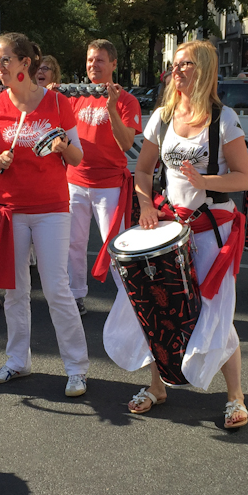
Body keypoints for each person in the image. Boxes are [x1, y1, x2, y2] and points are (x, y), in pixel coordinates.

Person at [104, 40, 248, 429]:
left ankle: (235, 396)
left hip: (211, 231)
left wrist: (206, 180)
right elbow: (142, 170)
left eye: (186, 64)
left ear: (203, 69)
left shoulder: (224, 119)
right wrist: (146, 204)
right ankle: (158, 386)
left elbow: (244, 177)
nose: (177, 71)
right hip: (170, 229)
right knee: (159, 308)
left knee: (216, 314)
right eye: (175, 64)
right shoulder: (163, 116)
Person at [0, 31, 89, 397]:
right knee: (13, 290)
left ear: (25, 64)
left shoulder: (58, 104)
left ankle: (77, 368)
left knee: (56, 288)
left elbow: (78, 158)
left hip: (50, 208)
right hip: (9, 209)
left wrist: (64, 147)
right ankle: (18, 361)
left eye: (5, 60)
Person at [65, 39, 142, 315]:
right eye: (89, 60)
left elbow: (125, 144)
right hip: (75, 181)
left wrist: (112, 108)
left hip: (109, 185)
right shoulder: (75, 97)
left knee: (117, 246)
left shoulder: (127, 100)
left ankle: (127, 300)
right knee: (74, 243)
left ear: (113, 64)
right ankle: (76, 296)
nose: (93, 65)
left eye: (99, 60)